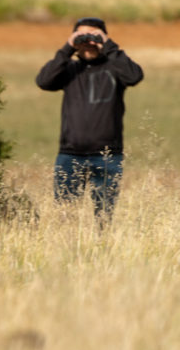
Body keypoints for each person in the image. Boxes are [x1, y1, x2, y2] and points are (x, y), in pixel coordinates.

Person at [35, 17, 144, 224]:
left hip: (107, 156)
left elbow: (134, 76)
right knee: (65, 218)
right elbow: (43, 81)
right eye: (82, 36)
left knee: (104, 218)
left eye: (94, 36)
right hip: (69, 155)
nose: (88, 42)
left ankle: (101, 252)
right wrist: (67, 49)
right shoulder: (69, 70)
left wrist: (109, 46)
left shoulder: (115, 68)